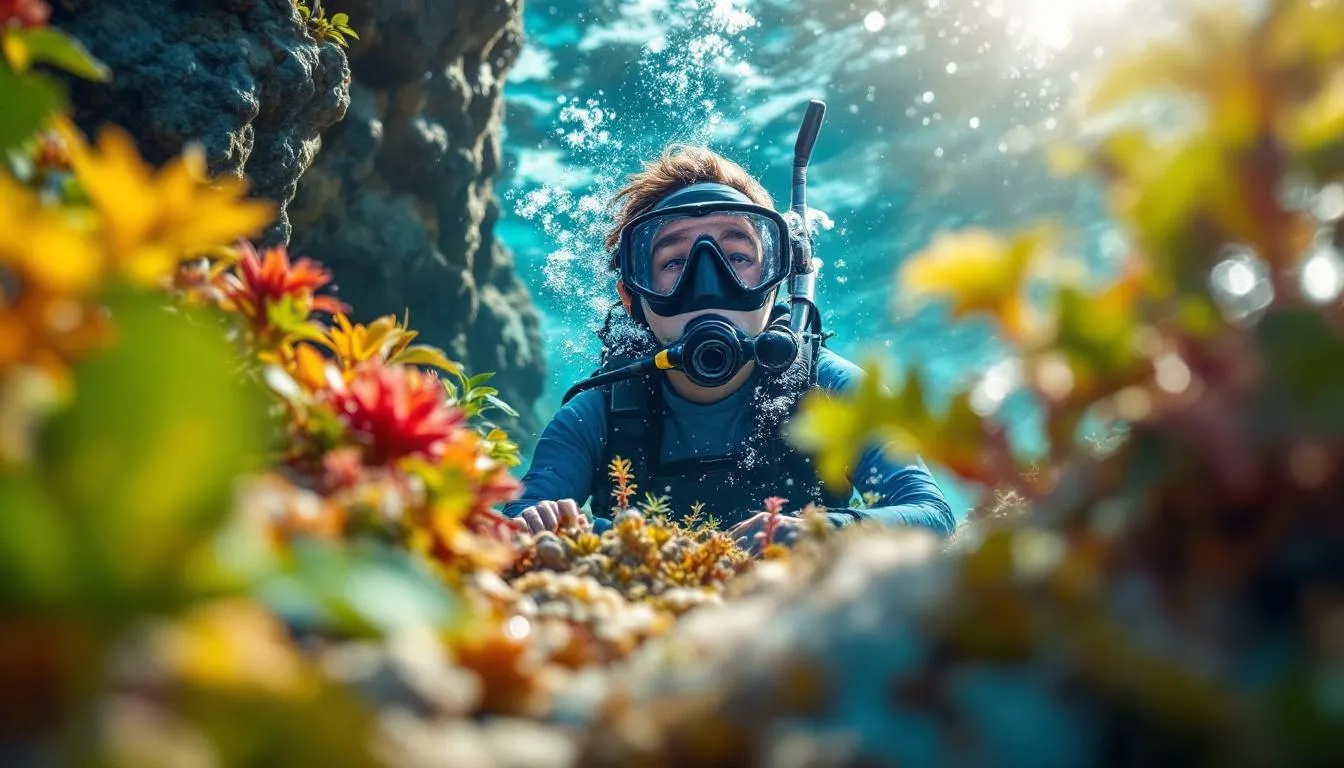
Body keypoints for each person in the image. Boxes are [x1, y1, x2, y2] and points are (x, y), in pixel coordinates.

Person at [502, 144, 955, 552]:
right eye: (674, 261)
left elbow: (932, 515)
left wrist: (822, 532)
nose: (707, 284)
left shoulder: (829, 390)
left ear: (777, 281)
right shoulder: (595, 415)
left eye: (737, 257)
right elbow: (516, 525)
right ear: (632, 296)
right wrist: (538, 522)